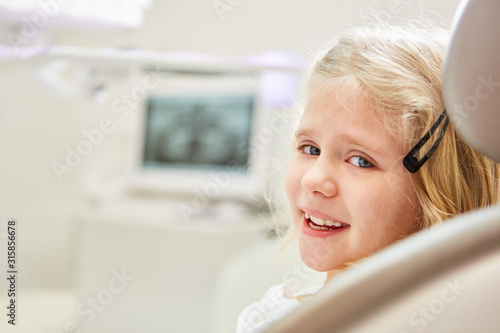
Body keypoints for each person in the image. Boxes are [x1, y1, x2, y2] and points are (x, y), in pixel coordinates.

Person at [236, 19, 500, 333]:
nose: (314, 180)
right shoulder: (269, 318)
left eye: (360, 161)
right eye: (309, 148)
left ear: (440, 185)